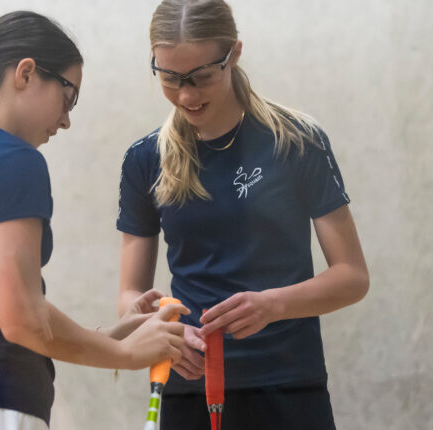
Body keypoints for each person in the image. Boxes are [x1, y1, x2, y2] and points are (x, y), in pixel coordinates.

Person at [0, 11, 188, 430]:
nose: (66, 119)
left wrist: (109, 338)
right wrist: (128, 356)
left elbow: (10, 301)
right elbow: (21, 317)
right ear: (25, 73)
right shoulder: (12, 158)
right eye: (68, 96)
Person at [116, 1, 370, 429]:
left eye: (200, 78)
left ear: (233, 54)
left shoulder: (296, 141)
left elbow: (352, 276)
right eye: (169, 78)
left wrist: (273, 305)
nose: (186, 95)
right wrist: (157, 327)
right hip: (189, 385)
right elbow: (129, 296)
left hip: (288, 385)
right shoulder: (145, 159)